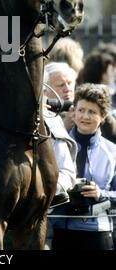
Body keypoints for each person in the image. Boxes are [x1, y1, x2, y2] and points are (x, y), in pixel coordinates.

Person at [51, 83, 116, 250]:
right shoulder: (57, 145)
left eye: (92, 112)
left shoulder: (112, 151)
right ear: (73, 112)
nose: (85, 116)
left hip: (97, 233)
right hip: (60, 230)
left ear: (103, 117)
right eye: (81, 110)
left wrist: (100, 193)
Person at [44, 62, 77, 131]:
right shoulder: (42, 117)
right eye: (61, 85)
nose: (67, 89)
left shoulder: (84, 109)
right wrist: (64, 129)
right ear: (45, 92)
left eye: (70, 83)